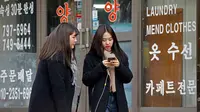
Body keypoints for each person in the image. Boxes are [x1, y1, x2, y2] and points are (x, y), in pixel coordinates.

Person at [28, 22, 79, 112]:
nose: (76, 41)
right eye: (73, 37)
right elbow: (58, 90)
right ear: (64, 38)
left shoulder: (60, 57)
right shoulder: (56, 59)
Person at [82, 24, 133, 112]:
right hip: (101, 100)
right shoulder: (91, 57)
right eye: (104, 40)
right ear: (98, 41)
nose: (108, 43)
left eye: (110, 39)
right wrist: (101, 66)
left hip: (117, 99)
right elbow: (86, 79)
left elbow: (128, 77)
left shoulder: (120, 55)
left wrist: (119, 66)